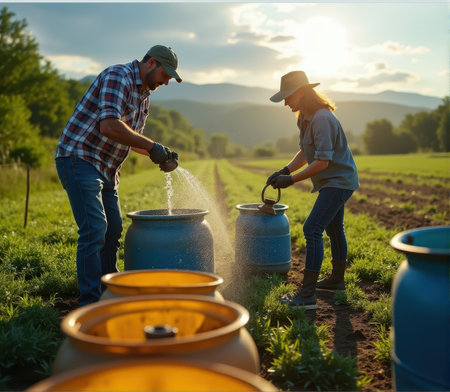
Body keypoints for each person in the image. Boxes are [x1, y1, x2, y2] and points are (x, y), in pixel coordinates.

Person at [55, 45, 181, 306]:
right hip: (80, 157)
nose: (166, 81)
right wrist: (151, 146)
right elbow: (109, 125)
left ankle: (107, 292)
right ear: (152, 62)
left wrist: (160, 153)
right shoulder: (118, 76)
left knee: (113, 229)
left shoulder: (144, 94)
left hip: (107, 168)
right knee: (94, 229)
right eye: (165, 74)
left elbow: (130, 139)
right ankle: (90, 303)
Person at [267, 70, 359, 310]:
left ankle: (307, 295)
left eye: (288, 96)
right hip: (331, 181)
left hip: (339, 181)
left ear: (301, 92)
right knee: (333, 228)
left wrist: (292, 180)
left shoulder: (321, 118)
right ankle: (337, 281)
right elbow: (305, 152)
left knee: (312, 228)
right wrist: (285, 170)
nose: (285, 102)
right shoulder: (305, 117)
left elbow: (321, 162)